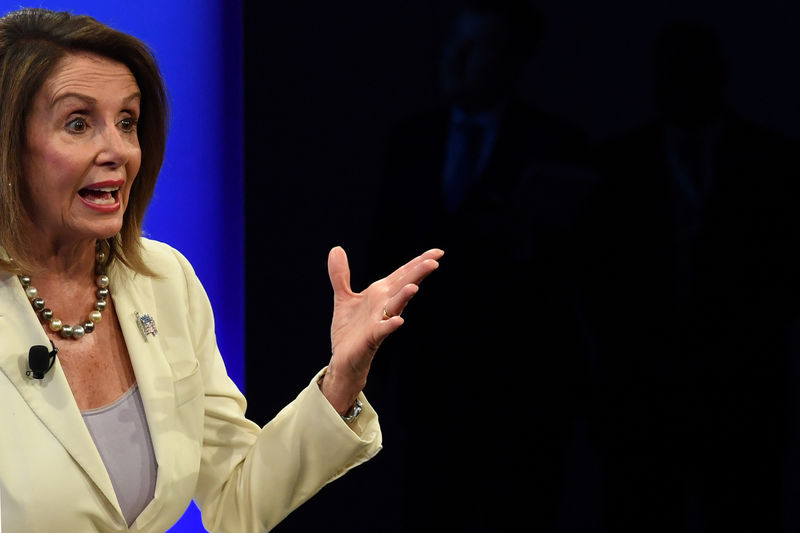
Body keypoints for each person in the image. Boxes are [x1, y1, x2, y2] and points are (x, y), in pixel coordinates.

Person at [0, 7, 442, 533]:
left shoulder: (164, 280)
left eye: (127, 122)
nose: (118, 150)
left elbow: (235, 499)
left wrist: (339, 385)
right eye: (78, 123)